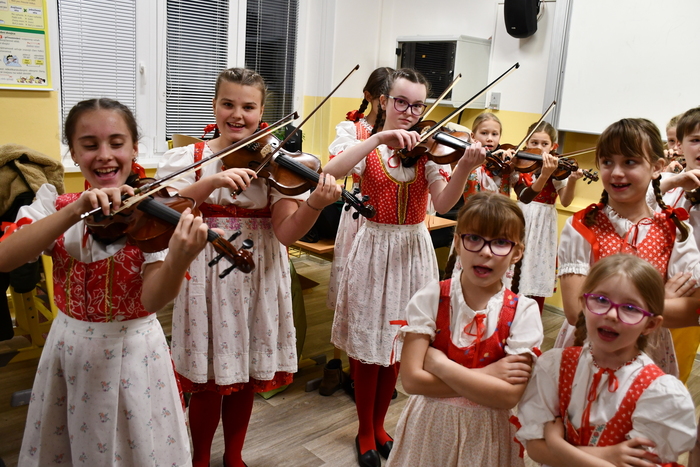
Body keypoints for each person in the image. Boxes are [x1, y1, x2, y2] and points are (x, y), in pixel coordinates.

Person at [0, 98, 209, 466]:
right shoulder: (55, 206)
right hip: (68, 349)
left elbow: (151, 299)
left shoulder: (151, 214)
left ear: (134, 149)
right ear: (73, 153)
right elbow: (6, 257)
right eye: (89, 144)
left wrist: (178, 260)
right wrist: (75, 209)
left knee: (136, 447)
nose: (104, 155)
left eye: (116, 143)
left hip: (133, 353)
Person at [156, 67, 341, 467]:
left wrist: (315, 203)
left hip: (259, 276)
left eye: (248, 107)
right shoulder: (192, 159)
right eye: (228, 104)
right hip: (206, 278)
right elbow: (164, 211)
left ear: (261, 113)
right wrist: (212, 181)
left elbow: (287, 233)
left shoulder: (275, 165)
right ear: (214, 106)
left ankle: (234, 457)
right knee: (208, 381)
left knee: (244, 375)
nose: (237, 115)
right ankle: (199, 459)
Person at [323, 68, 486, 467]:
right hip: (374, 249)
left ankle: (381, 426)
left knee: (399, 346)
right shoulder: (368, 146)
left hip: (413, 251)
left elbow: (443, 203)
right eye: (401, 102)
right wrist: (378, 138)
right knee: (368, 353)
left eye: (417, 105)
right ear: (384, 102)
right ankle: (364, 431)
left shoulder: (426, 153)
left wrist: (464, 167)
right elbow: (331, 172)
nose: (409, 112)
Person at [387, 192, 543, 467]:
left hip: (486, 434)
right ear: (458, 242)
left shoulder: (524, 311)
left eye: (500, 242)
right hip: (430, 428)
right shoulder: (430, 298)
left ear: (517, 252)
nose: (485, 251)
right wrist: (488, 375)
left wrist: (440, 364)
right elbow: (411, 382)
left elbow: (508, 396)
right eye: (474, 238)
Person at [517, 254, 697, 467]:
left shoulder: (656, 392)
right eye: (601, 300)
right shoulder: (555, 367)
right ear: (584, 304)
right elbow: (535, 448)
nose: (612, 315)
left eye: (630, 308)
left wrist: (557, 445)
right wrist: (608, 456)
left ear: (650, 325)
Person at [555, 118, 700, 378]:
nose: (616, 172)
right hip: (589, 350)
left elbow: (694, 311)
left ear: (657, 167)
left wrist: (602, 303)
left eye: (630, 162)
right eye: (607, 162)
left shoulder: (675, 230)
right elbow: (575, 312)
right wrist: (658, 301)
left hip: (649, 355)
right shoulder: (582, 226)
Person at [326, 66, 393, 311]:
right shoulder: (352, 129)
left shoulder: (403, 131)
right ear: (369, 96)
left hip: (392, 210)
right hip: (359, 208)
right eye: (383, 99)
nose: (388, 106)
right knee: (358, 279)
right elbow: (339, 167)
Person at [515, 121, 582, 313]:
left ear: (553, 146)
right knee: (516, 266)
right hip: (522, 217)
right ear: (527, 143)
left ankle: (534, 315)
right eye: (534, 143)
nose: (539, 148)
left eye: (544, 144)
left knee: (538, 267)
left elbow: (566, 201)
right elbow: (523, 194)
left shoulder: (557, 169)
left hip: (543, 224)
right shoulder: (521, 165)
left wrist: (572, 181)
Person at [656, 106, 700, 384]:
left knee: (673, 377)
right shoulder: (671, 186)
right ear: (679, 146)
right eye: (695, 140)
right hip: (661, 290)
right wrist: (670, 182)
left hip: (690, 296)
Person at [463, 112, 516, 198]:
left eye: (494, 134)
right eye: (484, 133)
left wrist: (511, 165)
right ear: (472, 136)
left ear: (499, 137)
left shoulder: (502, 161)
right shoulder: (467, 159)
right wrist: (487, 159)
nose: (490, 139)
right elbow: (456, 177)